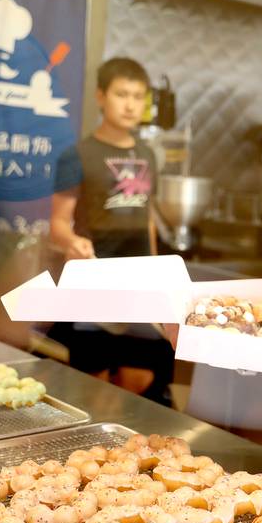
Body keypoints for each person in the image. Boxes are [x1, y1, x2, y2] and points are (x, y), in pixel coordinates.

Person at [49, 57, 172, 402]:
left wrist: (156, 270)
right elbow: (58, 223)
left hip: (138, 288)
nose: (131, 104)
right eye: (122, 94)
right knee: (92, 385)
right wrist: (73, 242)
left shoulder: (148, 154)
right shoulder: (78, 155)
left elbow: (147, 217)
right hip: (93, 285)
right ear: (101, 97)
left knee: (140, 379)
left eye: (138, 96)